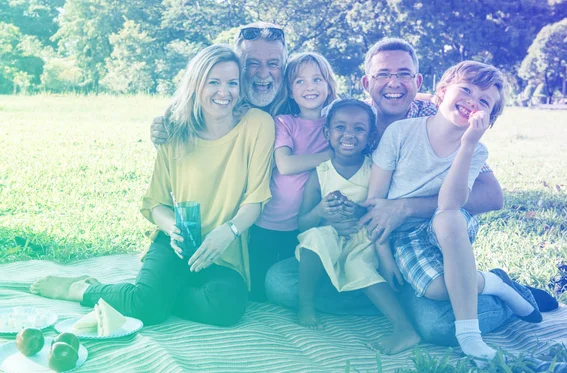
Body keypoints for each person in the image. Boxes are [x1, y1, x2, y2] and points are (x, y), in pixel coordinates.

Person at [265, 38, 554, 346]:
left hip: (415, 244)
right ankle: (395, 303)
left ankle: (494, 293)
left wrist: (405, 206)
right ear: (366, 82)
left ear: (417, 81)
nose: (394, 83)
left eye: (403, 74)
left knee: (439, 327)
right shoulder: (350, 120)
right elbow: (327, 178)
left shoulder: (438, 117)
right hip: (360, 244)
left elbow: (492, 196)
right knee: (281, 283)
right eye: (383, 74)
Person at [30, 44, 275, 327]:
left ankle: (152, 295)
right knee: (146, 310)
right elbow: (156, 203)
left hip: (222, 249)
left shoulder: (258, 125)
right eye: (214, 82)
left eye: (232, 83)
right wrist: (174, 229)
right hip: (177, 242)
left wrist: (228, 231)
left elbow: (255, 200)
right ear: (196, 86)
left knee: (225, 307)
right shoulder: (175, 131)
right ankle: (82, 289)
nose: (224, 92)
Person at [368, 61, 541, 361]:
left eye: (484, 101)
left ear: (489, 117)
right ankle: (495, 283)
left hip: (449, 225)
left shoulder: (476, 150)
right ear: (442, 91)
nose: (473, 100)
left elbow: (451, 203)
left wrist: (468, 145)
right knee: (436, 289)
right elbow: (375, 204)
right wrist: (383, 256)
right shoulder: (400, 133)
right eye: (466, 89)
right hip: (404, 235)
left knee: (447, 218)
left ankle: (469, 334)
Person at [296, 99, 421, 354]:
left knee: (358, 266)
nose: (349, 135)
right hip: (330, 236)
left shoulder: (374, 169)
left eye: (359, 129)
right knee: (313, 239)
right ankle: (305, 303)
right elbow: (302, 224)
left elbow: (380, 209)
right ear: (326, 132)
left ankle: (404, 328)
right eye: (340, 127)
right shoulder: (319, 172)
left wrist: (359, 211)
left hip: (363, 238)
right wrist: (321, 211)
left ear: (371, 135)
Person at [248, 52, 338, 301]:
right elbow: (285, 164)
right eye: (300, 81)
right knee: (257, 293)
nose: (310, 87)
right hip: (269, 222)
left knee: (294, 283)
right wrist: (332, 155)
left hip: (308, 225)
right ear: (289, 90)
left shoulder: (336, 125)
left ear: (329, 86)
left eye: (317, 79)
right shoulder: (285, 122)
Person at [151, 22, 286, 145]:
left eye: (273, 64)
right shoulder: (212, 101)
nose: (263, 73)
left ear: (284, 65)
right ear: (237, 66)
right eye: (252, 63)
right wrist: (160, 134)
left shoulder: (299, 101)